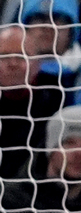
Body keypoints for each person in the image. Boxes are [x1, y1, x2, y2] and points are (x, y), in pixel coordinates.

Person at [0, 24, 63, 179]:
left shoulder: (57, 100)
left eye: (22, 56)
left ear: (37, 63)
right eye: (5, 56)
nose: (13, 63)